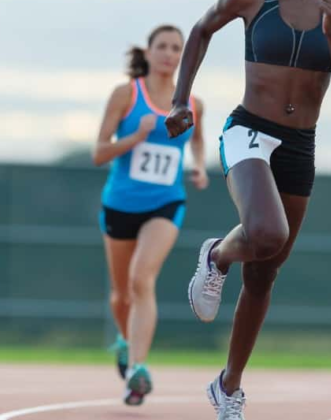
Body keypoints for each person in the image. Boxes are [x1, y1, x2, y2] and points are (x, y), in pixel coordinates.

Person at [165, 0, 331, 420]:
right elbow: (202, 30)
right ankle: (216, 254)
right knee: (267, 234)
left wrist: (330, 33)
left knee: (265, 273)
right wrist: (180, 99)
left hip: (301, 146)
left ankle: (227, 387)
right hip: (249, 130)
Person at [93, 24, 208, 406]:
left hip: (166, 204)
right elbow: (99, 153)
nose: (170, 54)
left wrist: (199, 166)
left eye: (177, 48)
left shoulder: (192, 102)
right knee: (121, 294)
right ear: (149, 51)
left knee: (143, 280)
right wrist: (135, 137)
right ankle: (125, 342)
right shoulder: (126, 94)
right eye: (163, 46)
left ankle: (138, 371)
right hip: (120, 206)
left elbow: (199, 139)